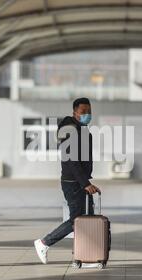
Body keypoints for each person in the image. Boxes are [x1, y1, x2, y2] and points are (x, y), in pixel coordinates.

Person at [34, 98, 101, 264]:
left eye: (89, 111)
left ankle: (85, 255)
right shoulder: (69, 131)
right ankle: (44, 242)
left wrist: (87, 182)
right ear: (75, 112)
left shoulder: (81, 129)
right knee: (77, 220)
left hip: (80, 181)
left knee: (88, 219)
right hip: (73, 182)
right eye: (83, 112)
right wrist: (85, 184)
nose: (87, 115)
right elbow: (72, 161)